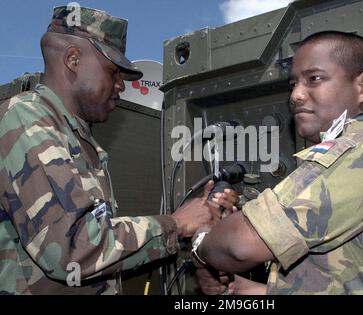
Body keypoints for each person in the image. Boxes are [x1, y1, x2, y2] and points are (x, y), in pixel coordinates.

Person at [0, 6, 237, 295]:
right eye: (113, 72)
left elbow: (102, 254)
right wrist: (177, 224)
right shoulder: (27, 121)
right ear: (73, 59)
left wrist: (196, 228)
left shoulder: (77, 137)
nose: (121, 86)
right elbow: (70, 249)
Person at [191, 31, 363, 295]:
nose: (296, 96)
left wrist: (202, 242)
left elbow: (240, 245)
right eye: (293, 85)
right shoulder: (362, 145)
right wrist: (240, 289)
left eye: (314, 79)